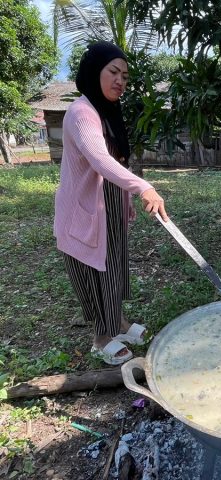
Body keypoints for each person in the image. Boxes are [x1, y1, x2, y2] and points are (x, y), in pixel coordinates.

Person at [54, 41, 168, 365]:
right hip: (84, 211)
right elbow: (100, 160)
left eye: (125, 77)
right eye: (113, 72)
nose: (120, 81)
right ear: (95, 72)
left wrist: (126, 197)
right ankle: (101, 337)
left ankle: (117, 321)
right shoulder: (81, 112)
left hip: (109, 205)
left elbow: (117, 161)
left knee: (114, 268)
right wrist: (144, 187)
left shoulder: (107, 112)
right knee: (95, 272)